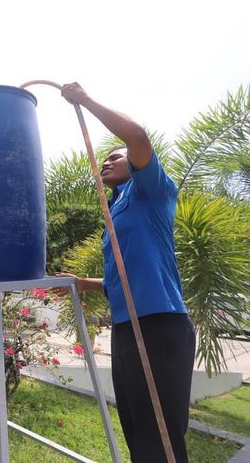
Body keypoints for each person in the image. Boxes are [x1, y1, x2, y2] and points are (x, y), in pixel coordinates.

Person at [54, 83, 195, 462]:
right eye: (105, 160)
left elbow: (135, 135)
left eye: (115, 157)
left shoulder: (154, 192)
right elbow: (123, 282)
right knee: (136, 427)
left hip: (161, 326)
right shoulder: (116, 211)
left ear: (137, 163)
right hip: (126, 328)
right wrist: (82, 283)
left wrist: (84, 100)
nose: (107, 162)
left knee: (161, 434)